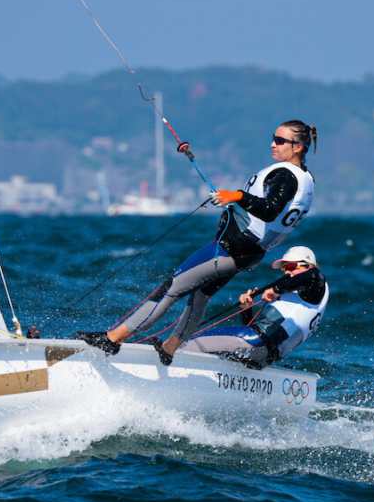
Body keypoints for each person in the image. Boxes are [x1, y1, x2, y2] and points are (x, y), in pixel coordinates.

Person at [78, 120, 318, 362]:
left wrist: (236, 196)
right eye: (273, 138)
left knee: (170, 289)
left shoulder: (286, 175)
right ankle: (170, 348)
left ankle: (111, 340)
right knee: (201, 295)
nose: (272, 144)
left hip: (230, 249)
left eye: (279, 141)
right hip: (248, 253)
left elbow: (270, 210)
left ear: (297, 147)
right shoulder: (307, 179)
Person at [181, 245, 328, 368]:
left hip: (255, 343)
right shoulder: (299, 296)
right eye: (284, 268)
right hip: (262, 357)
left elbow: (313, 275)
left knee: (188, 344)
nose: (287, 272)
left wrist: (275, 289)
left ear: (307, 265)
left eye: (290, 266)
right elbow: (251, 328)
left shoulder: (316, 283)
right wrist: (246, 309)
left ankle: (168, 353)